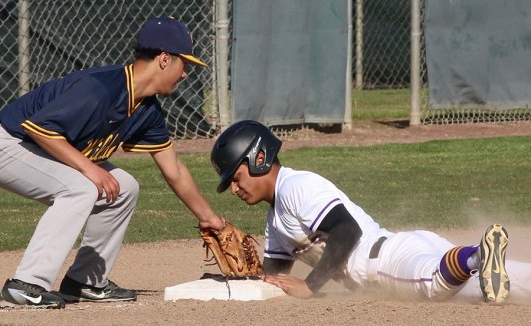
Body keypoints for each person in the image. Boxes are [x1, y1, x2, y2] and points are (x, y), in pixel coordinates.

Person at [0, 16, 225, 309]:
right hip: (9, 147)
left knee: (125, 187)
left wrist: (209, 217)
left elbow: (174, 170)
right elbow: (40, 130)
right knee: (81, 188)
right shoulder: (100, 89)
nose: (185, 74)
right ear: (165, 59)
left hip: (38, 148)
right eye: (185, 65)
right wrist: (90, 169)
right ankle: (26, 285)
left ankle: (85, 281)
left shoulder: (148, 109)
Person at [210, 120, 531, 303]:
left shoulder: (296, 187)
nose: (236, 190)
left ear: (260, 157)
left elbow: (347, 231)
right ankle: (482, 261)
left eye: (236, 178)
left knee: (434, 286)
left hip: (385, 263)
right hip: (401, 251)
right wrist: (229, 280)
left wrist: (311, 286)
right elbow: (275, 279)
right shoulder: (276, 218)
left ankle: (476, 256)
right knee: (492, 287)